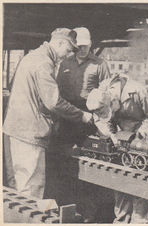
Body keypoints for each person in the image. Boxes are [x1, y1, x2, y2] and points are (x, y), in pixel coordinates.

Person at [3, 28, 93, 199]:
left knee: (17, 188)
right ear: (60, 43)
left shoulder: (31, 57)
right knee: (32, 190)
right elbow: (53, 102)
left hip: (15, 129)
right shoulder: (44, 63)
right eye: (68, 50)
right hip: (30, 133)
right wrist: (82, 115)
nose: (68, 55)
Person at [53, 27, 112, 222]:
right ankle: (65, 206)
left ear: (91, 44)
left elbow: (108, 93)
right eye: (80, 46)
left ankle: (90, 213)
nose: (83, 49)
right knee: (64, 163)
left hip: (88, 119)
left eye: (86, 46)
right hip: (66, 117)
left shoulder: (100, 64)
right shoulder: (64, 62)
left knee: (89, 164)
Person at [86, 75, 148, 223]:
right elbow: (100, 120)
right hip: (122, 138)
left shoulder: (138, 91)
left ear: (114, 100)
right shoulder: (101, 93)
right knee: (120, 179)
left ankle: (140, 221)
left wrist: (139, 136)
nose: (112, 114)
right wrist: (113, 136)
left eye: (111, 111)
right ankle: (122, 219)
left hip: (145, 135)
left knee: (141, 181)